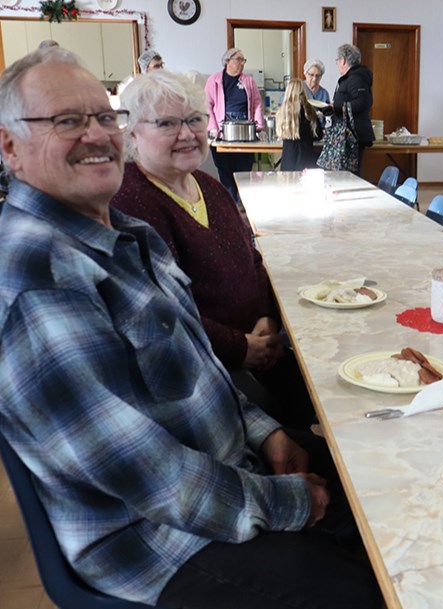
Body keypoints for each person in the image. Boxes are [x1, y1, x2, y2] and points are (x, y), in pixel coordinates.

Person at [0, 47, 381, 609]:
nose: (96, 134)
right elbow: (143, 473)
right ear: (9, 147)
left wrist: (266, 433)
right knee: (367, 586)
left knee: (380, 482)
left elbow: (201, 371)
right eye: (66, 121)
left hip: (223, 471)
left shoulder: (125, 233)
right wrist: (283, 502)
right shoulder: (37, 279)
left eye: (103, 117)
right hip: (161, 542)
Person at [111, 70, 317, 429]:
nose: (188, 133)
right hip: (207, 373)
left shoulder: (210, 187)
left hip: (260, 344)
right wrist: (242, 347)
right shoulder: (131, 202)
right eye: (167, 124)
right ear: (132, 133)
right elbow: (163, 313)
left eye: (194, 119)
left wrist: (268, 319)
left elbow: (253, 261)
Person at [205, 48, 265, 200]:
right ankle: (230, 206)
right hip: (222, 132)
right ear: (227, 61)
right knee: (225, 173)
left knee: (244, 173)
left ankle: (242, 206)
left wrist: (259, 126)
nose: (242, 63)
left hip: (246, 132)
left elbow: (257, 103)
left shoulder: (248, 81)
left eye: (243, 60)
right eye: (239, 59)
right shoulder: (214, 80)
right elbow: (207, 105)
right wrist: (212, 128)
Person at [331, 43, 374, 174]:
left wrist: (337, 108)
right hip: (349, 134)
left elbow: (362, 102)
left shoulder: (356, 78)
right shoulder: (352, 77)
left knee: (348, 174)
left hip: (353, 136)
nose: (337, 64)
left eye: (337, 61)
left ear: (343, 60)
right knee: (344, 173)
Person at [277, 79, 322, 171]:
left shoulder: (283, 112)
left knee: (288, 182)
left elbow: (280, 133)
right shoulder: (309, 111)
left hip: (288, 156)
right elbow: (318, 134)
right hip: (306, 156)